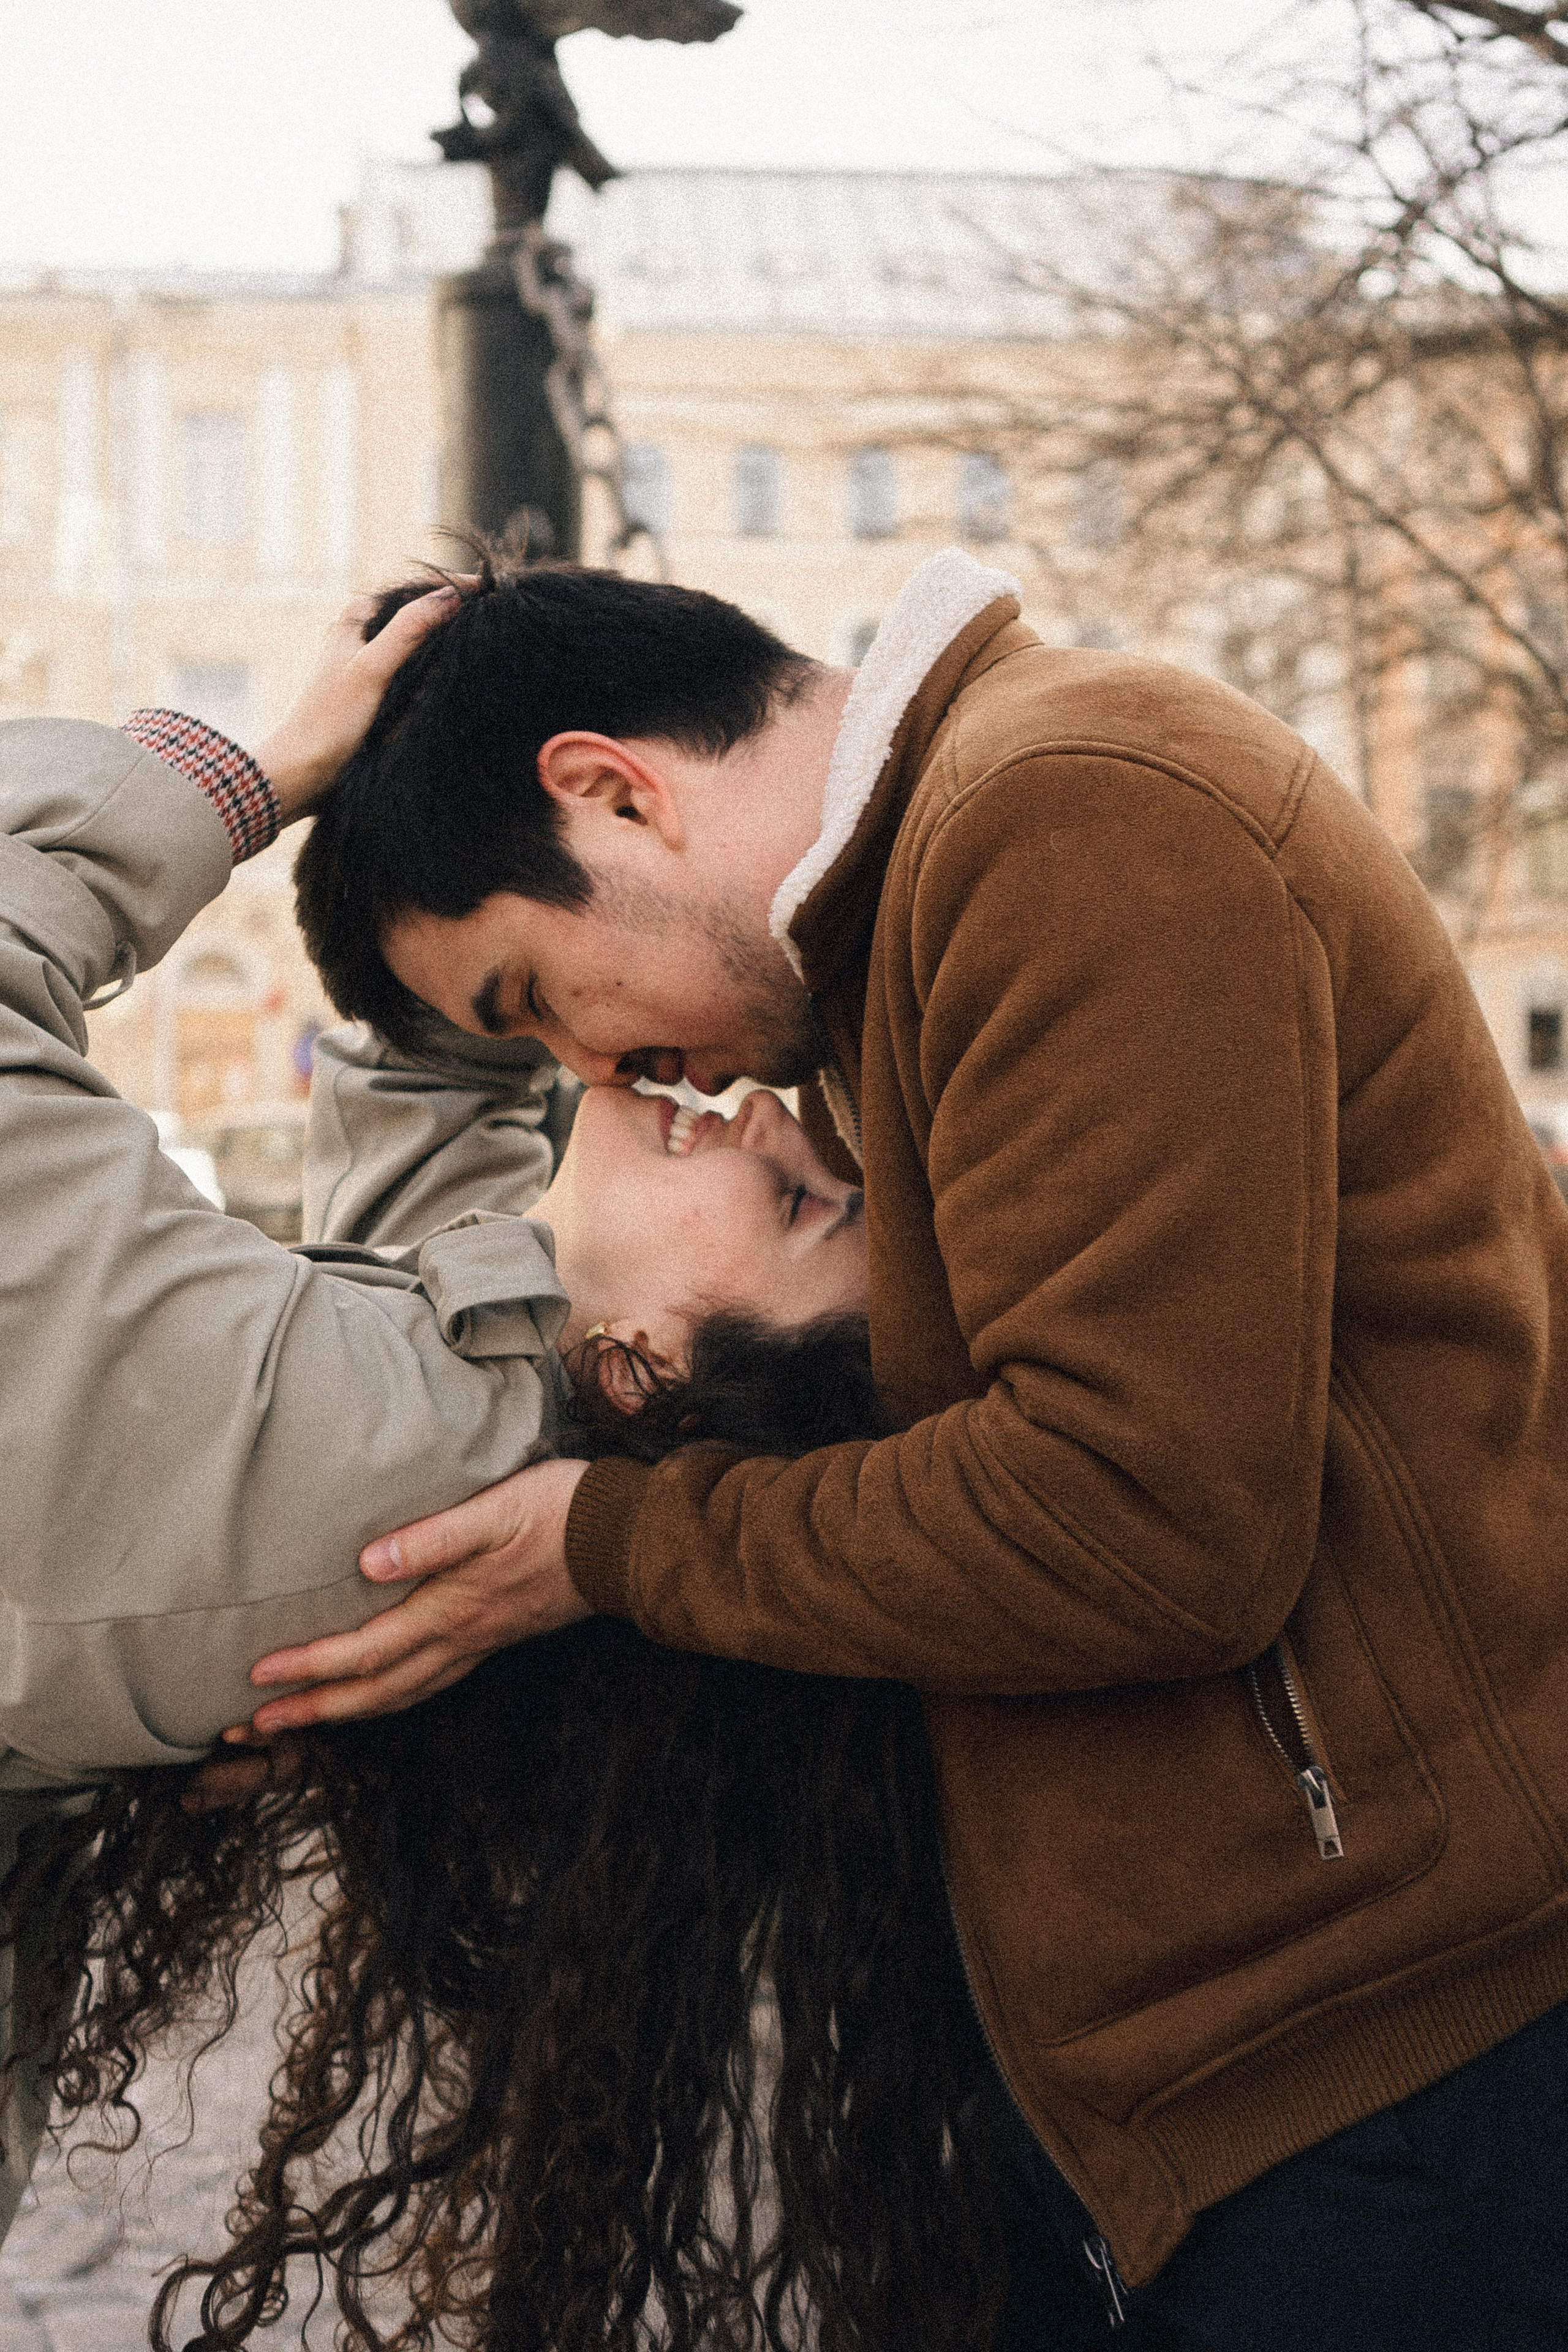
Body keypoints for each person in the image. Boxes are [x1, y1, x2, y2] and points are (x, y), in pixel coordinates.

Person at [254, 546, 1568, 2348]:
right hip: (1210, 2089)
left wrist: (610, 1545)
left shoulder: (1068, 811)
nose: (605, 1069)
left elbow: (1143, 1521)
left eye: (533, 996)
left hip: (1385, 2063)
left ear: (611, 791)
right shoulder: (897, 944)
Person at [0, 595, 870, 2264]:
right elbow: (432, 1207)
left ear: (668, 1379)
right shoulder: (488, 1434)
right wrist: (451, 922)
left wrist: (247, 773)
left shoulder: (409, 1463)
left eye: (802, 1200)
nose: (763, 1111)